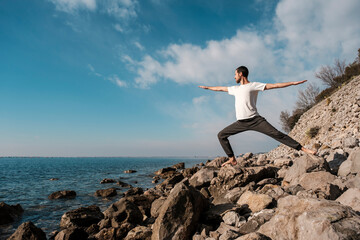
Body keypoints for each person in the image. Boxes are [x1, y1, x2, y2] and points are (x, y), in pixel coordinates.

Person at [199, 66, 316, 167]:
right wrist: (208, 87)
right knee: (221, 135)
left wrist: (292, 83)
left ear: (241, 74)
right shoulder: (235, 89)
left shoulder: (254, 85)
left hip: (256, 120)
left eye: (235, 74)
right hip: (241, 123)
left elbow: (274, 85)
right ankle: (232, 158)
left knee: (277, 134)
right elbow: (220, 88)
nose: (234, 77)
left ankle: (303, 149)